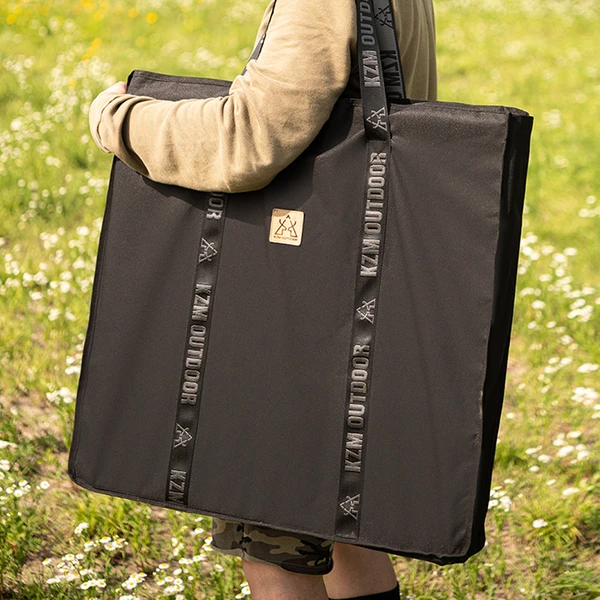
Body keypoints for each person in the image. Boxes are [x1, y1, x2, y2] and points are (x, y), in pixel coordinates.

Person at [88, 0, 437, 597]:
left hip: (299, 312)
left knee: (274, 545)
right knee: (343, 532)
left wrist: (117, 116)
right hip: (356, 290)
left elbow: (248, 138)